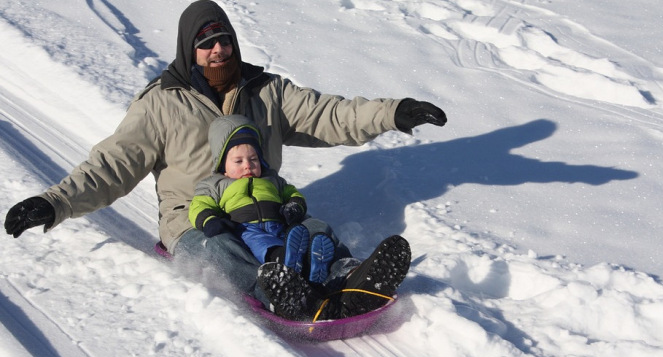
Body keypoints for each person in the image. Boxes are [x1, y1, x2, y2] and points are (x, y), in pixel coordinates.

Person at [4, 0, 445, 320]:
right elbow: (112, 165)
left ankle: (350, 277)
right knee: (218, 249)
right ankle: (274, 289)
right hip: (199, 218)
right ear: (188, 50)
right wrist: (55, 202)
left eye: (224, 41)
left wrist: (391, 111)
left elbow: (328, 114)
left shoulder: (265, 90)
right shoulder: (160, 105)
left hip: (266, 206)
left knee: (310, 231)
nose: (218, 50)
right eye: (206, 43)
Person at [189, 114, 335, 284]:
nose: (247, 165)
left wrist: (294, 205)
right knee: (263, 245)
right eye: (238, 161)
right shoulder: (215, 185)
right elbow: (198, 205)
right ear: (223, 165)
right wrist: (210, 220)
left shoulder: (272, 180)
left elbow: (292, 193)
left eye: (253, 159)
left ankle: (314, 266)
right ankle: (283, 263)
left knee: (299, 238)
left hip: (280, 226)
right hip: (246, 230)